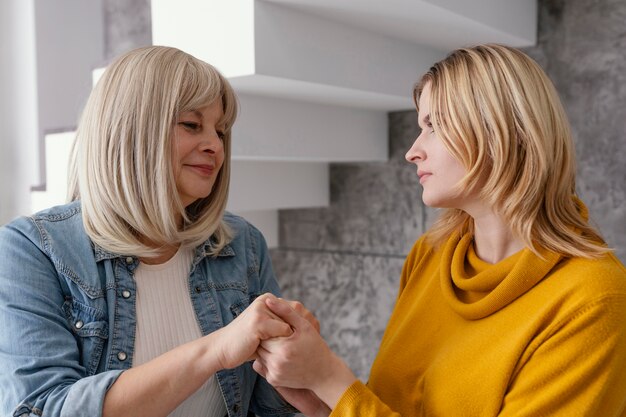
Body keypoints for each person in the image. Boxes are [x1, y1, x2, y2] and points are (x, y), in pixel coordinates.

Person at [250, 44, 626, 416]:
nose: (413, 151)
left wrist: (331, 379)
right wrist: (322, 403)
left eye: (434, 125)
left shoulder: (594, 301)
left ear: (501, 131)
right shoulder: (431, 255)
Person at [0, 46, 305, 417]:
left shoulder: (244, 245)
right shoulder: (33, 249)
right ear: (132, 129)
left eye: (221, 131)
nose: (215, 146)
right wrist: (215, 349)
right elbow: (44, 408)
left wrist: (289, 364)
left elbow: (268, 411)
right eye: (192, 125)